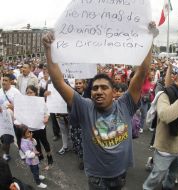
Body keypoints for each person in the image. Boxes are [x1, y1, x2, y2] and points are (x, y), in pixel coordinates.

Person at [42, 22, 158, 190]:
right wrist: (48, 49)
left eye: (104, 87)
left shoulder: (125, 104)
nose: (98, 91)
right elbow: (59, 82)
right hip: (97, 178)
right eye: (95, 88)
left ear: (114, 92)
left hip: (121, 174)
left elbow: (142, 72)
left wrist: (149, 40)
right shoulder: (85, 107)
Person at [25, 85, 53, 167]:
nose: (29, 94)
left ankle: (49, 156)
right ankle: (40, 156)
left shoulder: (40, 101)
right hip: (30, 128)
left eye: (31, 92)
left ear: (35, 93)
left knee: (44, 142)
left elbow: (47, 112)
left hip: (40, 126)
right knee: (35, 143)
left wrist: (46, 118)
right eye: (27, 93)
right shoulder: (24, 103)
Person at [0, 74, 21, 161]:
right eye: (3, 80)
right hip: (3, 120)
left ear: (10, 82)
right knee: (4, 138)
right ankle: (6, 153)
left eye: (6, 80)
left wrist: (14, 107)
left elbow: (22, 106)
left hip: (13, 120)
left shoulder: (16, 92)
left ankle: (9, 154)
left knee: (12, 138)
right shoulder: (0, 91)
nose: (4, 82)